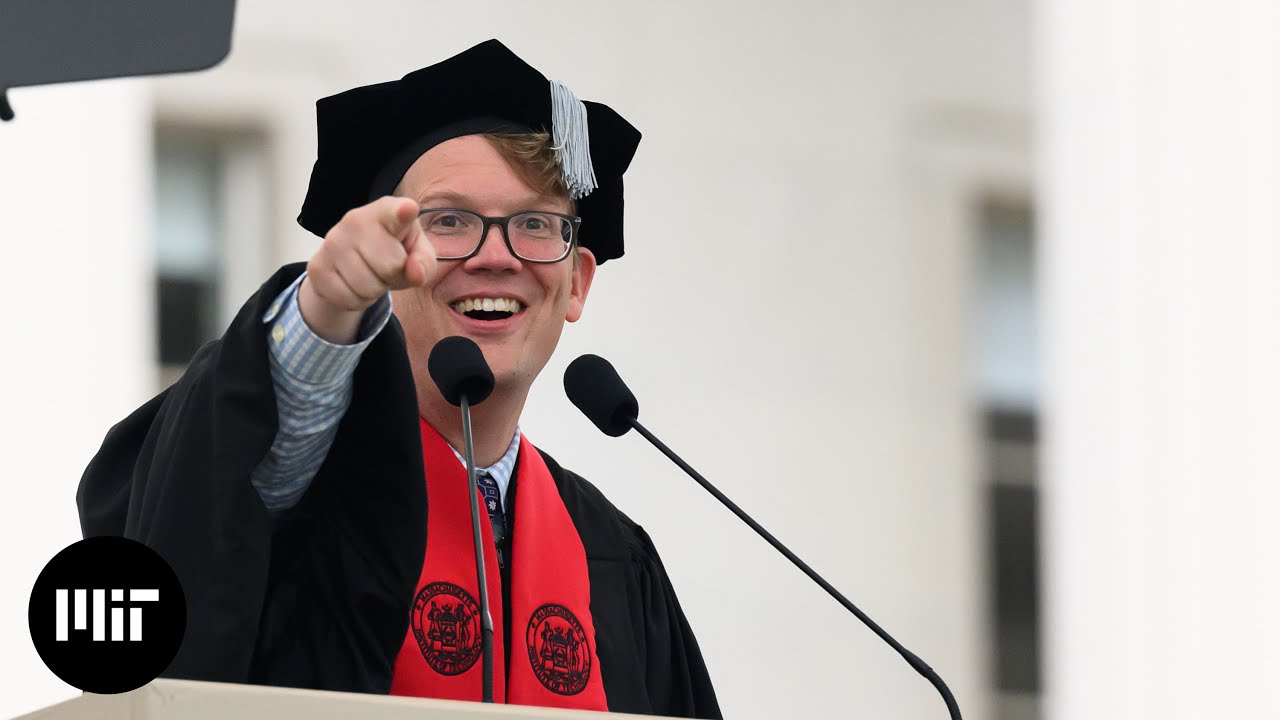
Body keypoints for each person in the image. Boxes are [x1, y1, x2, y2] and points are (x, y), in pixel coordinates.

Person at [77, 39, 721, 718]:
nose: (496, 257)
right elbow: (223, 486)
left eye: (535, 224)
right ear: (382, 266)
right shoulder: (291, 497)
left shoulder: (613, 556)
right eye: (449, 221)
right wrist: (323, 311)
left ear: (577, 284)